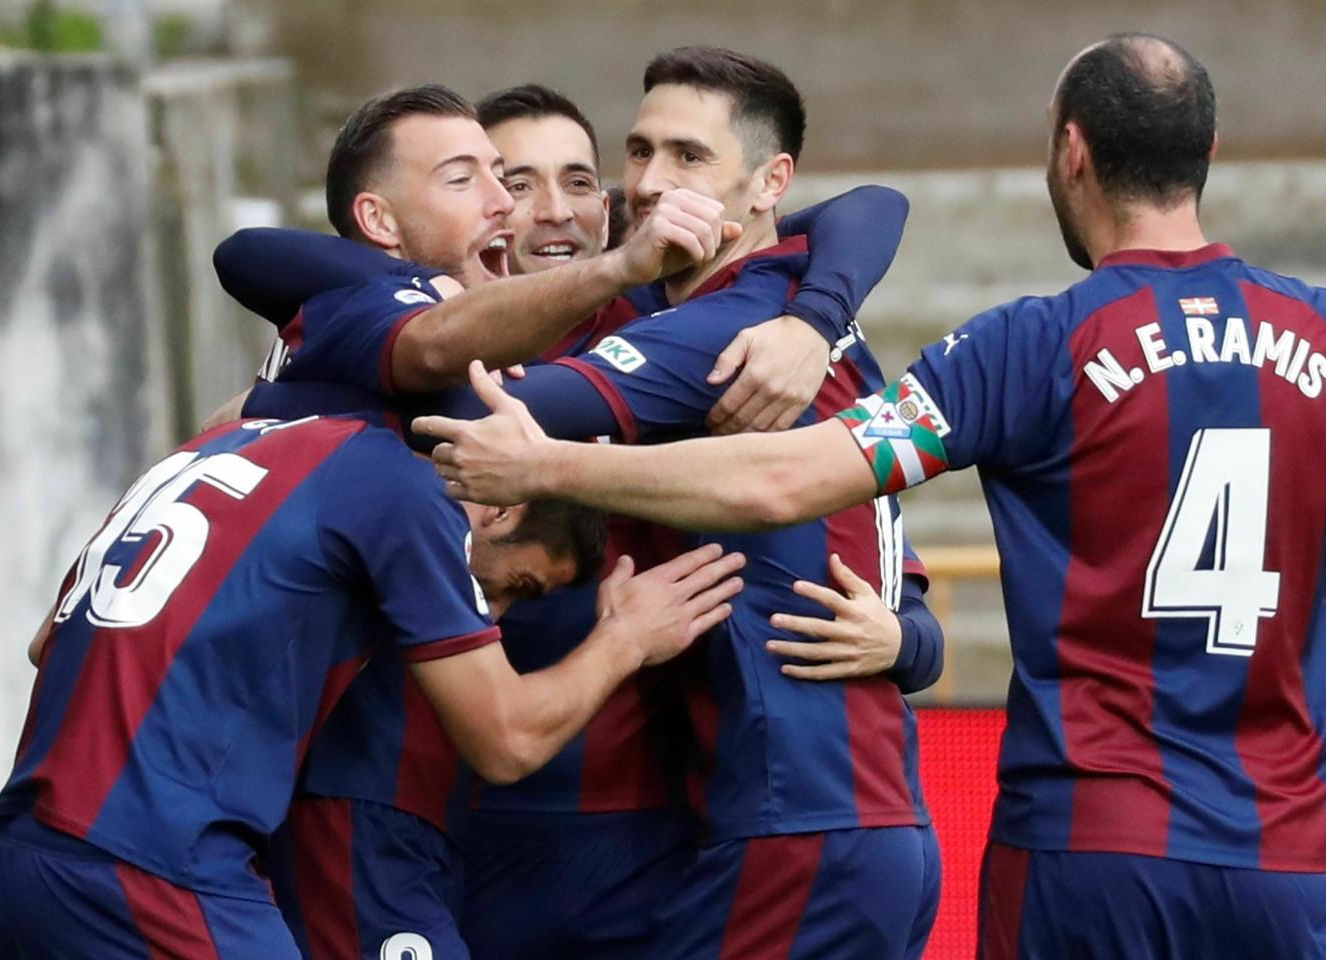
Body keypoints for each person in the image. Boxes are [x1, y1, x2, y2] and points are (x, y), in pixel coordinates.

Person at [415, 34, 1326, 960]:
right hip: (1280, 860)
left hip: (1085, 851)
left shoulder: (1025, 344)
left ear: (1069, 154)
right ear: (1205, 156)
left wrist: (553, 466)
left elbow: (795, 468)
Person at [243, 49, 945, 959]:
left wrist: (301, 395)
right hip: (469, 824)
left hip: (678, 833)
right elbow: (251, 256)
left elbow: (865, 210)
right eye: (504, 179)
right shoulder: (429, 330)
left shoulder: (710, 327)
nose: (557, 204)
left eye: (580, 178)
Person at [0, 412, 744, 959]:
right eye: (510, 586)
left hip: (17, 863)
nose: (495, 617)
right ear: (502, 501)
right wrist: (625, 640)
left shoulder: (227, 438)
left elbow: (46, 640)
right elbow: (507, 741)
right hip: (154, 869)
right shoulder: (401, 494)